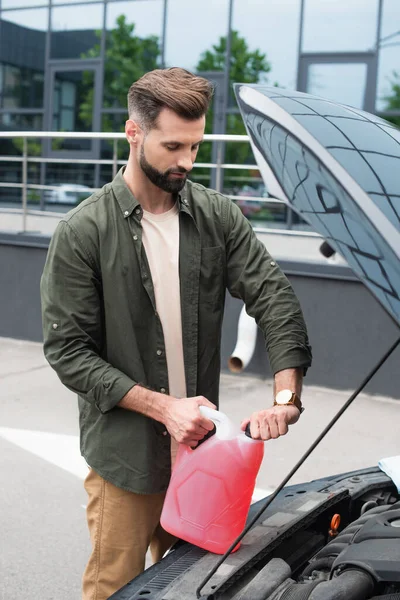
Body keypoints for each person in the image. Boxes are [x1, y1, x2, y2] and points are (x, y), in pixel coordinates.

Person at [40, 67, 312, 600]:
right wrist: (165, 408)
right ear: (133, 133)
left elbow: (274, 297)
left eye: (196, 145)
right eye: (173, 146)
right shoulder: (83, 231)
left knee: (196, 588)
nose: (187, 161)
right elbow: (68, 352)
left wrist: (286, 396)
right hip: (126, 459)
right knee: (114, 589)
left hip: (203, 457)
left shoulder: (217, 216)